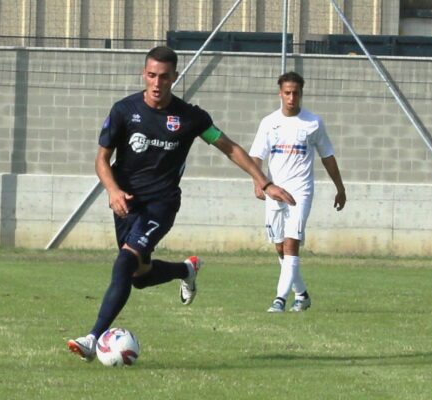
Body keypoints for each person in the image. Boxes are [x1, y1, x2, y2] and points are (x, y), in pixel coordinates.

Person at [67, 46, 295, 361]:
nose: (157, 82)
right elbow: (102, 159)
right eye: (151, 75)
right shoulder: (123, 111)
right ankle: (185, 270)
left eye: (163, 76)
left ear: (174, 77)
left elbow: (228, 147)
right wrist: (113, 190)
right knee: (140, 276)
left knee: (124, 262)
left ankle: (93, 338)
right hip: (127, 204)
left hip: (162, 204)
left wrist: (263, 180)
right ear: (143, 74)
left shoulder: (190, 117)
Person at [249, 71, 346, 312]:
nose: (292, 97)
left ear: (301, 94)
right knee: (280, 246)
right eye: (287, 93)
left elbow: (328, 156)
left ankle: (279, 300)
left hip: (300, 192)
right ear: (280, 94)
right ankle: (301, 295)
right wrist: (258, 183)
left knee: (292, 244)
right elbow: (256, 156)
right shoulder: (269, 122)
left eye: (296, 93)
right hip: (274, 191)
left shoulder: (313, 122)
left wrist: (340, 188)